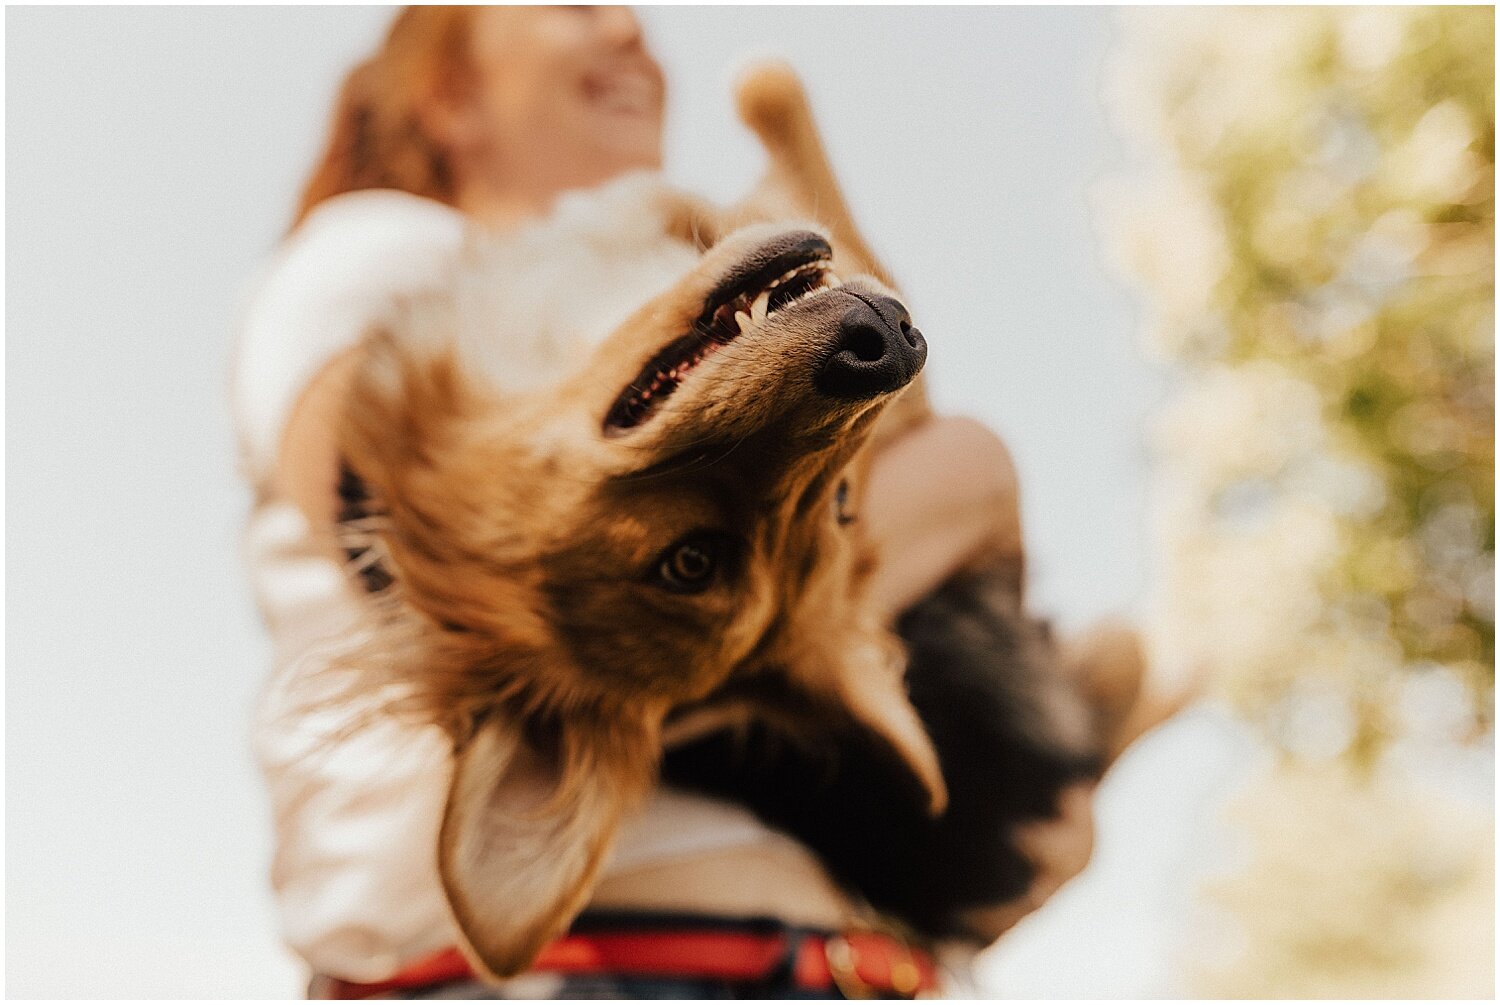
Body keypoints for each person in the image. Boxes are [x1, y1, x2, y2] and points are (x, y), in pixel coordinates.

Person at [234, 7, 1096, 998]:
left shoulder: (690, 307)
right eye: (572, 8)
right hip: (588, 972)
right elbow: (429, 539)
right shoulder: (385, 254)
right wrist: (955, 492)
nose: (629, 28)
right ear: (450, 98)